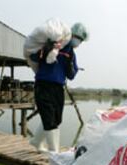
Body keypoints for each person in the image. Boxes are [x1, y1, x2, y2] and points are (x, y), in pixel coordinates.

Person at [29, 23, 89, 152]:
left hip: (58, 88)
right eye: (77, 38)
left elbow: (71, 75)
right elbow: (33, 57)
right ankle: (54, 152)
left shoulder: (72, 54)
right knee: (49, 119)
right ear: (70, 35)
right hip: (43, 85)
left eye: (81, 40)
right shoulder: (55, 44)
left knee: (56, 119)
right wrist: (46, 50)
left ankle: (36, 141)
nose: (78, 42)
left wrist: (70, 65)